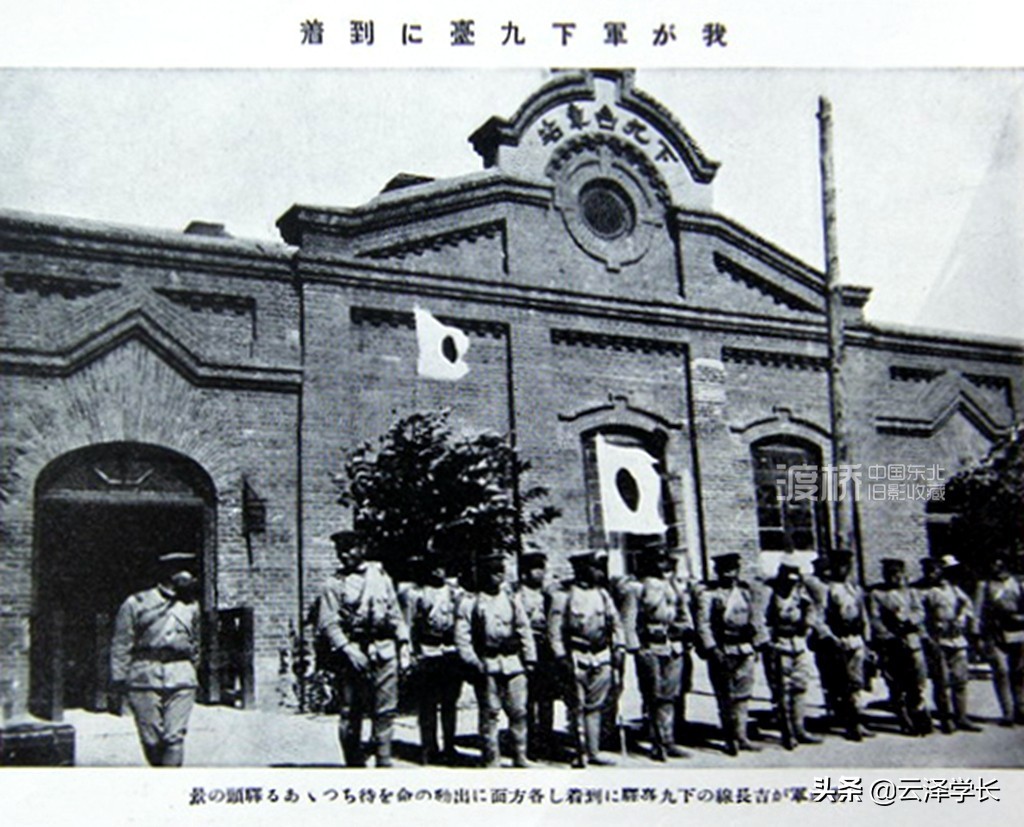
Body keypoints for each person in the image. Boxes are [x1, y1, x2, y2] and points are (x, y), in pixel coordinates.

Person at [316, 529, 410, 767]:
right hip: (353, 652)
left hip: (384, 649)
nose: (344, 554)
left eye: (349, 549)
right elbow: (328, 623)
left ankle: (384, 761)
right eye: (340, 550)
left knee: (386, 711)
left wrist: (404, 644)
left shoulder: (381, 577)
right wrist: (348, 649)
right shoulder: (334, 584)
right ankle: (354, 764)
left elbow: (395, 613)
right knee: (351, 712)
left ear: (362, 549)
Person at [109, 551, 201, 767]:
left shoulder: (191, 605)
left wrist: (191, 670)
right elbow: (122, 643)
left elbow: (196, 642)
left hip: (181, 677)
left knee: (174, 737)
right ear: (168, 572)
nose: (190, 575)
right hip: (145, 676)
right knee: (151, 739)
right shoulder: (136, 603)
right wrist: (119, 678)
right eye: (183, 569)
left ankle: (169, 783)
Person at [455, 551, 536, 768]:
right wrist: (474, 662)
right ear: (483, 574)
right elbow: (462, 638)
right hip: (487, 664)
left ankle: (520, 755)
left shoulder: (511, 599)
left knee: (519, 711)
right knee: (490, 714)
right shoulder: (470, 602)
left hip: (513, 663)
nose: (499, 576)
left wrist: (530, 658)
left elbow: (524, 629)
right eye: (493, 572)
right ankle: (491, 758)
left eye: (501, 571)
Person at [548, 549, 625, 768]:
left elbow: (616, 624)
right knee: (576, 705)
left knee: (595, 706)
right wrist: (560, 656)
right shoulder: (564, 596)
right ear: (582, 570)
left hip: (601, 654)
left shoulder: (603, 595)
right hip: (576, 655)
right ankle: (579, 751)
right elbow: (554, 631)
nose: (598, 572)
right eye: (594, 567)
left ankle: (593, 751)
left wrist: (619, 648)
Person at [626, 539, 693, 761]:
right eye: (656, 560)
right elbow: (629, 620)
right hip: (650, 645)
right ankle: (656, 742)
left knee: (670, 695)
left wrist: (684, 630)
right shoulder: (636, 587)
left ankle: (668, 739)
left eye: (664, 560)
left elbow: (683, 613)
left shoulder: (672, 585)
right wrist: (635, 648)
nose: (661, 564)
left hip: (672, 645)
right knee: (652, 695)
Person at [696, 552, 766, 755]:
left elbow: (755, 618)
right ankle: (729, 738)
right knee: (726, 695)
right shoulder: (709, 595)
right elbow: (703, 624)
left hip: (744, 647)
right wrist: (712, 648)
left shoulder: (744, 592)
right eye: (725, 570)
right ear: (717, 572)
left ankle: (741, 736)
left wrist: (757, 643)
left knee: (743, 694)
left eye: (733, 570)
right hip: (722, 648)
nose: (729, 574)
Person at [401, 553, 464, 765]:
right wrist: (410, 653)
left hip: (450, 650)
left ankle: (449, 746)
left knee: (450, 702)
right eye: (434, 567)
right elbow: (408, 624)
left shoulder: (454, 593)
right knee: (428, 703)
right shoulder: (416, 594)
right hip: (428, 650)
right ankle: (429, 747)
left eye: (442, 567)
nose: (439, 572)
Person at [763, 562, 823, 750]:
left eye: (794, 582)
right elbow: (761, 620)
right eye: (787, 581)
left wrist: (807, 626)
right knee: (782, 690)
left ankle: (800, 728)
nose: (790, 585)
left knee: (800, 686)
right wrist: (769, 641)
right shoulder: (770, 594)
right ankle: (787, 732)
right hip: (779, 645)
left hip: (798, 643)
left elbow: (812, 608)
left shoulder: (800, 593)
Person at [919, 555, 983, 733]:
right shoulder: (923, 592)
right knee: (942, 681)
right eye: (929, 571)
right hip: (938, 640)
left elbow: (967, 605)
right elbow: (919, 618)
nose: (932, 574)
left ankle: (962, 716)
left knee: (960, 680)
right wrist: (927, 637)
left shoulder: (953, 589)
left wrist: (961, 618)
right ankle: (946, 718)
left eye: (936, 570)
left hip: (956, 639)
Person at [868, 558, 931, 735]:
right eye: (889, 574)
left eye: (897, 573)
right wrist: (887, 635)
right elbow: (875, 619)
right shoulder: (877, 594)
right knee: (896, 682)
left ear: (903, 574)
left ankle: (919, 714)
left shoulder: (911, 592)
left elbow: (920, 611)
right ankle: (904, 719)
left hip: (912, 641)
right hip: (891, 644)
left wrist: (911, 619)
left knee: (917, 681)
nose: (893, 577)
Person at [819, 549, 872, 741]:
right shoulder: (827, 589)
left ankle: (858, 720)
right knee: (842, 684)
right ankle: (849, 722)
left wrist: (867, 640)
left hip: (855, 639)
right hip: (838, 640)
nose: (843, 569)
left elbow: (863, 616)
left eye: (846, 566)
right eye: (839, 565)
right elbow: (820, 619)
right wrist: (831, 638)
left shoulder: (854, 589)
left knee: (857, 683)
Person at [515, 548, 556, 760]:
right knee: (528, 700)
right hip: (526, 649)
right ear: (524, 573)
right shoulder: (517, 596)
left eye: (542, 568)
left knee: (547, 698)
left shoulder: (547, 596)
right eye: (535, 569)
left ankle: (547, 739)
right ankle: (530, 742)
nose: (540, 573)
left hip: (546, 650)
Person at [975, 556, 1024, 726]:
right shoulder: (984, 585)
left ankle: (1021, 709)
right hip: (994, 633)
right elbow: (977, 612)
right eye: (994, 566)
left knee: (1020, 672)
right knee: (1001, 671)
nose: (998, 569)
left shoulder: (1018, 583)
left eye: (1001, 566)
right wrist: (977, 636)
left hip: (1018, 632)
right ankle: (1007, 712)